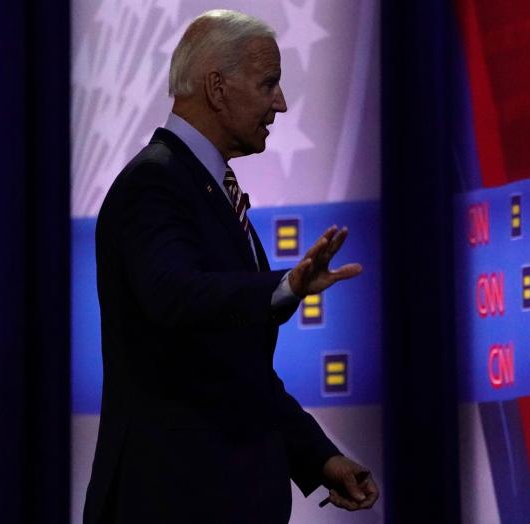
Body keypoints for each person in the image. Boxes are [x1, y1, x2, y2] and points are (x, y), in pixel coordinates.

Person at [83, 9, 379, 523]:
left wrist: (320, 457)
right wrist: (285, 286)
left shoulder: (207, 191)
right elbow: (175, 296)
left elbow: (233, 369)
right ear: (217, 88)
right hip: (174, 502)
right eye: (269, 84)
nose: (281, 103)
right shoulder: (153, 184)